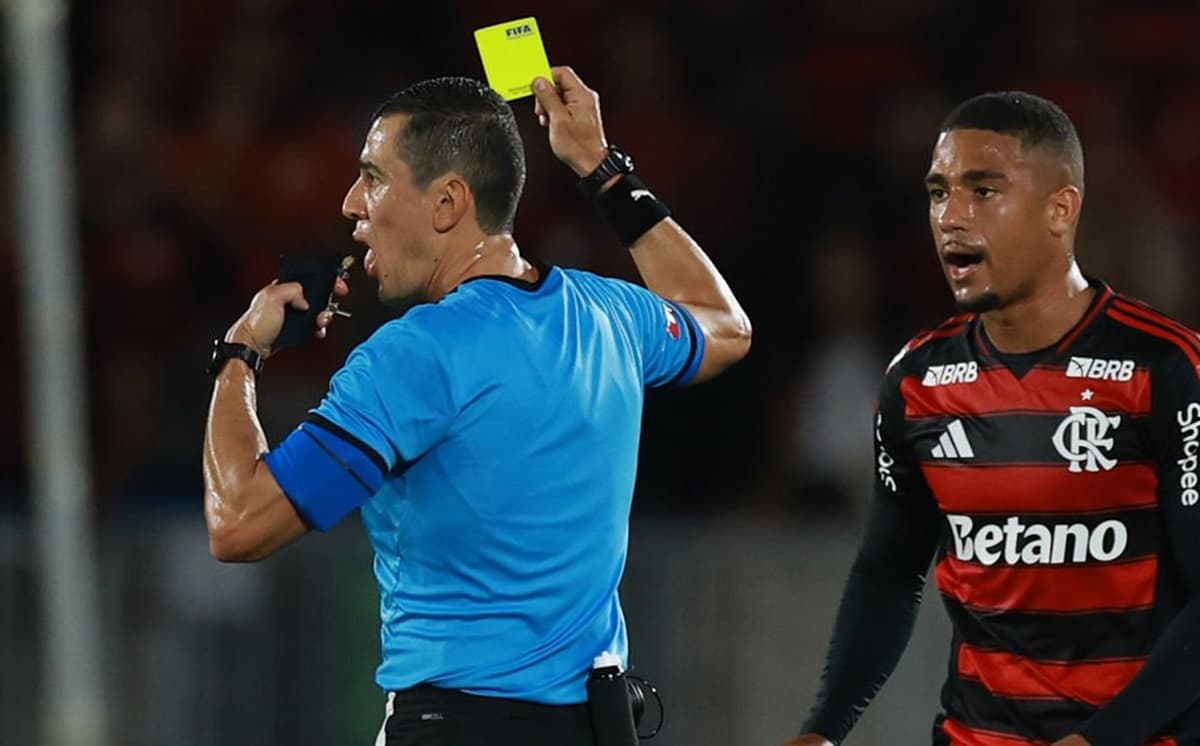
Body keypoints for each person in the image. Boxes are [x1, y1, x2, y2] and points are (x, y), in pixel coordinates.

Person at [201, 67, 751, 746]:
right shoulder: (607, 315)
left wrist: (239, 355)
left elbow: (238, 523)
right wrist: (602, 168)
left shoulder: (414, 357)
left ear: (447, 204)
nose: (351, 203)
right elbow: (725, 326)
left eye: (373, 177)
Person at [784, 92, 1200, 746]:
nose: (952, 216)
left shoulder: (1165, 369)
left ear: (1061, 209)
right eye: (938, 191)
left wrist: (1100, 740)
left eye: (984, 191)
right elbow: (888, 572)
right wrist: (824, 730)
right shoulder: (917, 382)